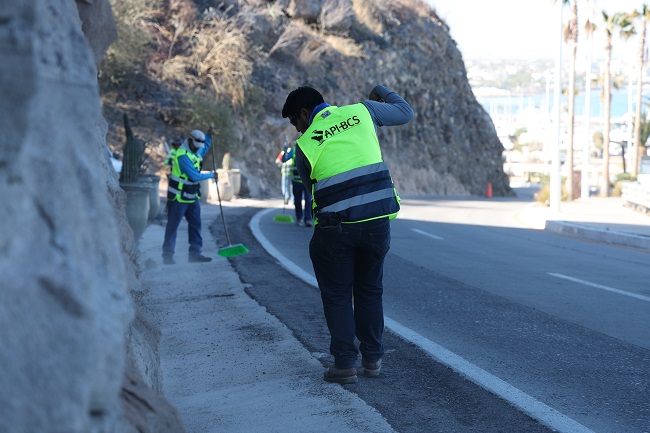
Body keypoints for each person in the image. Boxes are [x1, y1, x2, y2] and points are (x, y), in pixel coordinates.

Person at [282, 85, 414, 384]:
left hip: (336, 229)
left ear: (305, 113)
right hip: (376, 221)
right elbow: (406, 113)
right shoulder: (363, 111)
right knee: (370, 290)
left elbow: (313, 190)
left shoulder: (305, 146)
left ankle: (344, 364)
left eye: (294, 121)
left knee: (338, 294)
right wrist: (380, 91)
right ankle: (373, 359)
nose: (297, 129)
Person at [162, 128, 216, 265]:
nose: (198, 148)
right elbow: (194, 176)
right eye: (196, 145)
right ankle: (167, 256)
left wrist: (209, 136)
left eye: (199, 146)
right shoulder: (182, 155)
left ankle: (195, 254)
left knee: (196, 225)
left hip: (192, 196)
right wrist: (212, 175)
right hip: (178, 198)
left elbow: (205, 148)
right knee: (173, 226)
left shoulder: (196, 151)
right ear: (190, 141)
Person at [280, 143, 313, 227]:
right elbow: (284, 159)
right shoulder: (294, 150)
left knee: (308, 200)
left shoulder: (310, 148)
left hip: (307, 181)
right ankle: (299, 218)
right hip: (296, 181)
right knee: (297, 200)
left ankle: (308, 219)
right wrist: (285, 151)